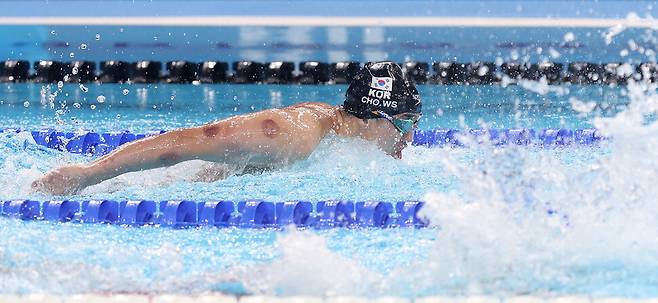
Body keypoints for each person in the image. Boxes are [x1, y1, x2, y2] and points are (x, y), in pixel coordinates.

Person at [32, 61, 422, 195]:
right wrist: (89, 174)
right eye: (404, 123)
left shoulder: (334, 138)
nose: (408, 138)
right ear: (375, 116)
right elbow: (196, 140)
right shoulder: (297, 134)